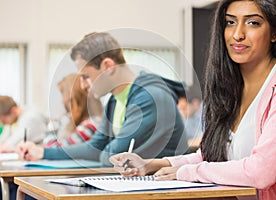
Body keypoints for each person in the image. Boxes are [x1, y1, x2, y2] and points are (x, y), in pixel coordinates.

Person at [110, 0, 276, 199]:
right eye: (230, 22)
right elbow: (211, 157)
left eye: (253, 23)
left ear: (274, 32)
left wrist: (188, 173)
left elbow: (261, 171)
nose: (237, 34)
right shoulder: (229, 90)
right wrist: (153, 165)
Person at [18, 32, 189, 166]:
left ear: (107, 66)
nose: (83, 85)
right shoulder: (114, 102)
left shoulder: (151, 97)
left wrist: (104, 152)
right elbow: (94, 148)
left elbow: (111, 156)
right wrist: (43, 153)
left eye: (86, 76)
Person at [44, 73, 102, 147]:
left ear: (74, 100)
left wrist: (55, 122)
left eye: (64, 96)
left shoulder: (91, 125)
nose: (63, 101)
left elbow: (53, 148)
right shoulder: (78, 123)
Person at [177, 84, 203, 149]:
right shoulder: (188, 117)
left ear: (195, 103)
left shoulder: (209, 114)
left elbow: (206, 140)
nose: (182, 112)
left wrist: (185, 144)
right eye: (180, 109)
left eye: (184, 108)